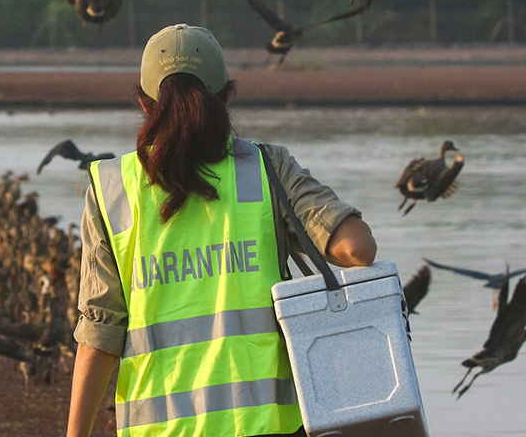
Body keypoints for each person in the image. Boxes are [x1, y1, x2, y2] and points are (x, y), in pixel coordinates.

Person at [66, 24, 377, 437]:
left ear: (145, 104)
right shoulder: (268, 169)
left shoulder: (112, 188)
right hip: (267, 427)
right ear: (225, 97)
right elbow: (358, 250)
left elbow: (100, 331)